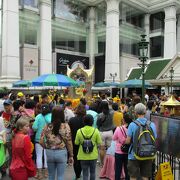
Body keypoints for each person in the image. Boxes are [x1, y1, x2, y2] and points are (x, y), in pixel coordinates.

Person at [40, 106, 74, 180]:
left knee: (51, 175)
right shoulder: (65, 126)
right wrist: (71, 155)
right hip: (61, 152)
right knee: (60, 176)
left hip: (49, 152)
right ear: (62, 115)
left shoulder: (47, 126)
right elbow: (69, 142)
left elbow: (41, 141)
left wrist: (46, 147)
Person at [126, 103, 157, 180]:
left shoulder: (132, 125)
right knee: (145, 176)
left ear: (135, 113)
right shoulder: (152, 124)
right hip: (148, 154)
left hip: (134, 155)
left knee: (133, 176)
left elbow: (128, 141)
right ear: (145, 112)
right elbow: (155, 138)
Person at [75, 114, 102, 180]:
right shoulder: (96, 131)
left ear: (83, 121)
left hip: (82, 156)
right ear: (92, 122)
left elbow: (76, 143)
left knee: (85, 173)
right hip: (93, 155)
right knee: (92, 172)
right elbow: (99, 143)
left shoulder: (79, 131)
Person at [32, 104, 51, 179]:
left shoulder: (38, 116)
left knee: (39, 156)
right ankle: (46, 173)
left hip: (38, 139)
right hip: (49, 139)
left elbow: (34, 127)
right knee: (46, 156)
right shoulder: (51, 116)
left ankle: (39, 174)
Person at [69, 104, 86, 180]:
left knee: (76, 158)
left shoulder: (72, 120)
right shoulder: (86, 119)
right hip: (85, 141)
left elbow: (70, 131)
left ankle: (77, 175)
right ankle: (82, 173)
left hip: (74, 140)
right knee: (84, 157)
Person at [113, 113, 132, 180]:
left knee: (118, 169)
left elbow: (114, 138)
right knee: (127, 170)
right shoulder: (132, 129)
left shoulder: (118, 128)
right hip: (128, 151)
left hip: (119, 151)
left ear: (123, 120)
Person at [96, 101, 114, 166]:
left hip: (102, 132)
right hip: (110, 132)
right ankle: (110, 163)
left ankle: (102, 163)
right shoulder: (111, 113)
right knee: (110, 148)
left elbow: (98, 124)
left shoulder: (100, 115)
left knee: (102, 149)